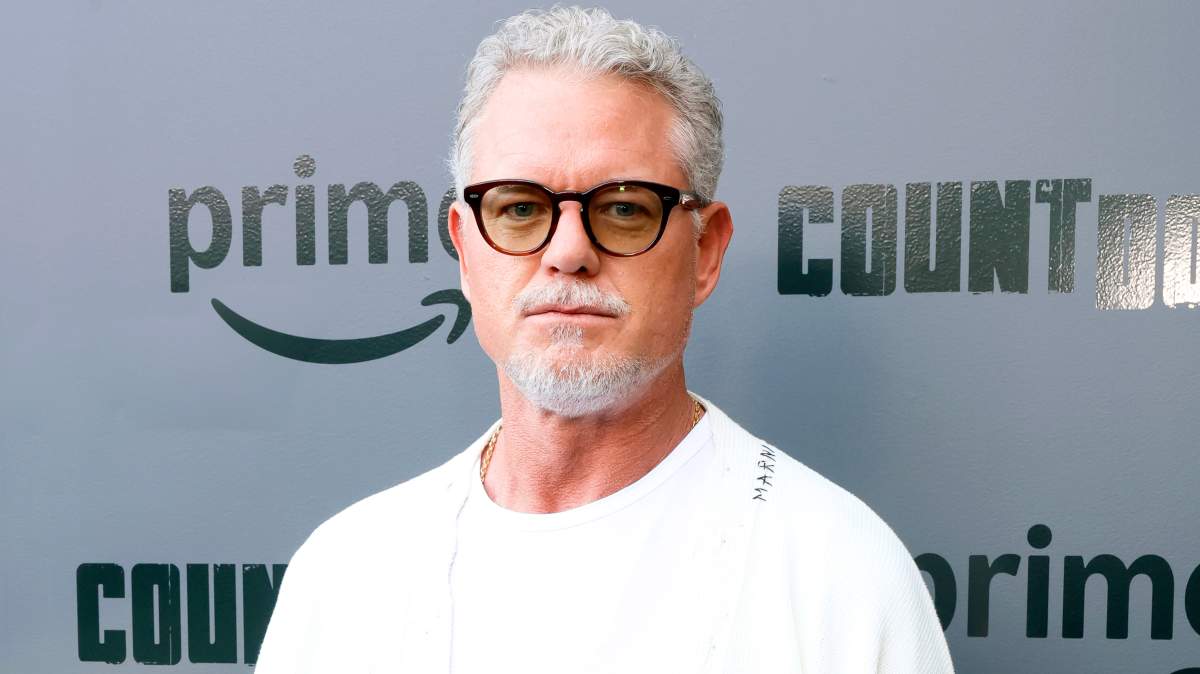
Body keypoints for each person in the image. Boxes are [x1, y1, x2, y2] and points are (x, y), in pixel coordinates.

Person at [255, 7, 955, 673]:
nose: (568, 252)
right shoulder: (344, 578)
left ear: (705, 252)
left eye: (623, 208)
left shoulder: (843, 580)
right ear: (466, 252)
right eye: (519, 208)